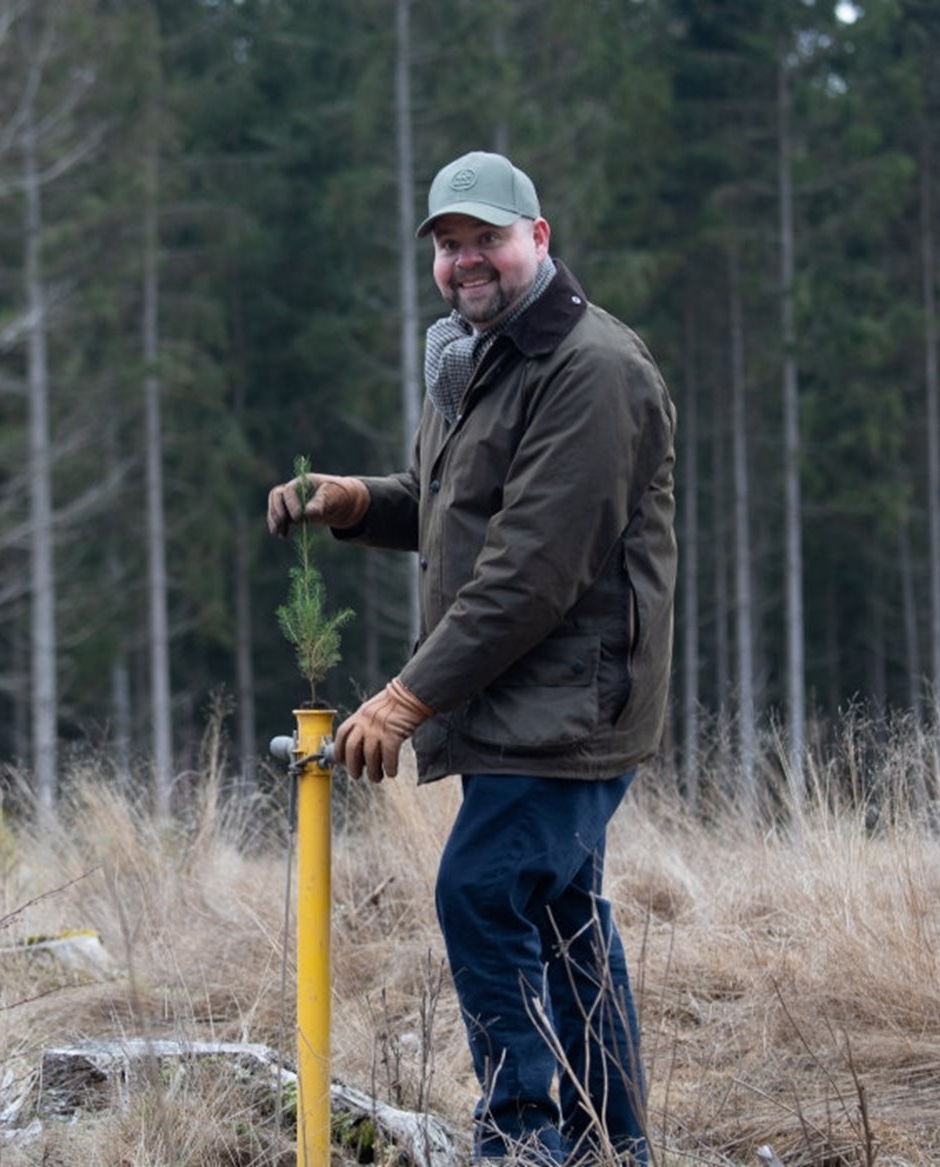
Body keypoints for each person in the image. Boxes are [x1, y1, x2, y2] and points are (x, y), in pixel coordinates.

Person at [266, 150, 675, 1165]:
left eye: (483, 239)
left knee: (480, 890)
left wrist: (401, 701)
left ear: (537, 240)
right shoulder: (471, 354)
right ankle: (607, 1142)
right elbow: (454, 510)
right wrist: (358, 503)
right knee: (560, 911)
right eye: (447, 247)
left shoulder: (593, 370)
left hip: (573, 699)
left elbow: (529, 573)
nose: (463, 262)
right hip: (515, 697)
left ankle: (522, 1140)